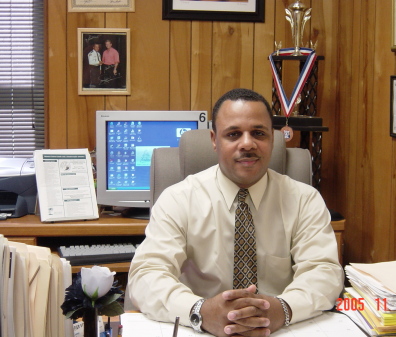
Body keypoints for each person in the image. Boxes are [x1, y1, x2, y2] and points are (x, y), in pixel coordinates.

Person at [128, 88, 344, 337]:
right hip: (201, 330)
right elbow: (147, 274)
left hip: (279, 330)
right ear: (214, 140)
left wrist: (282, 309)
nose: (247, 144)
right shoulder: (178, 199)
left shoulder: (305, 200)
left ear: (272, 140)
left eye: (258, 133)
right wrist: (200, 311)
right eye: (233, 134)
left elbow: (324, 273)